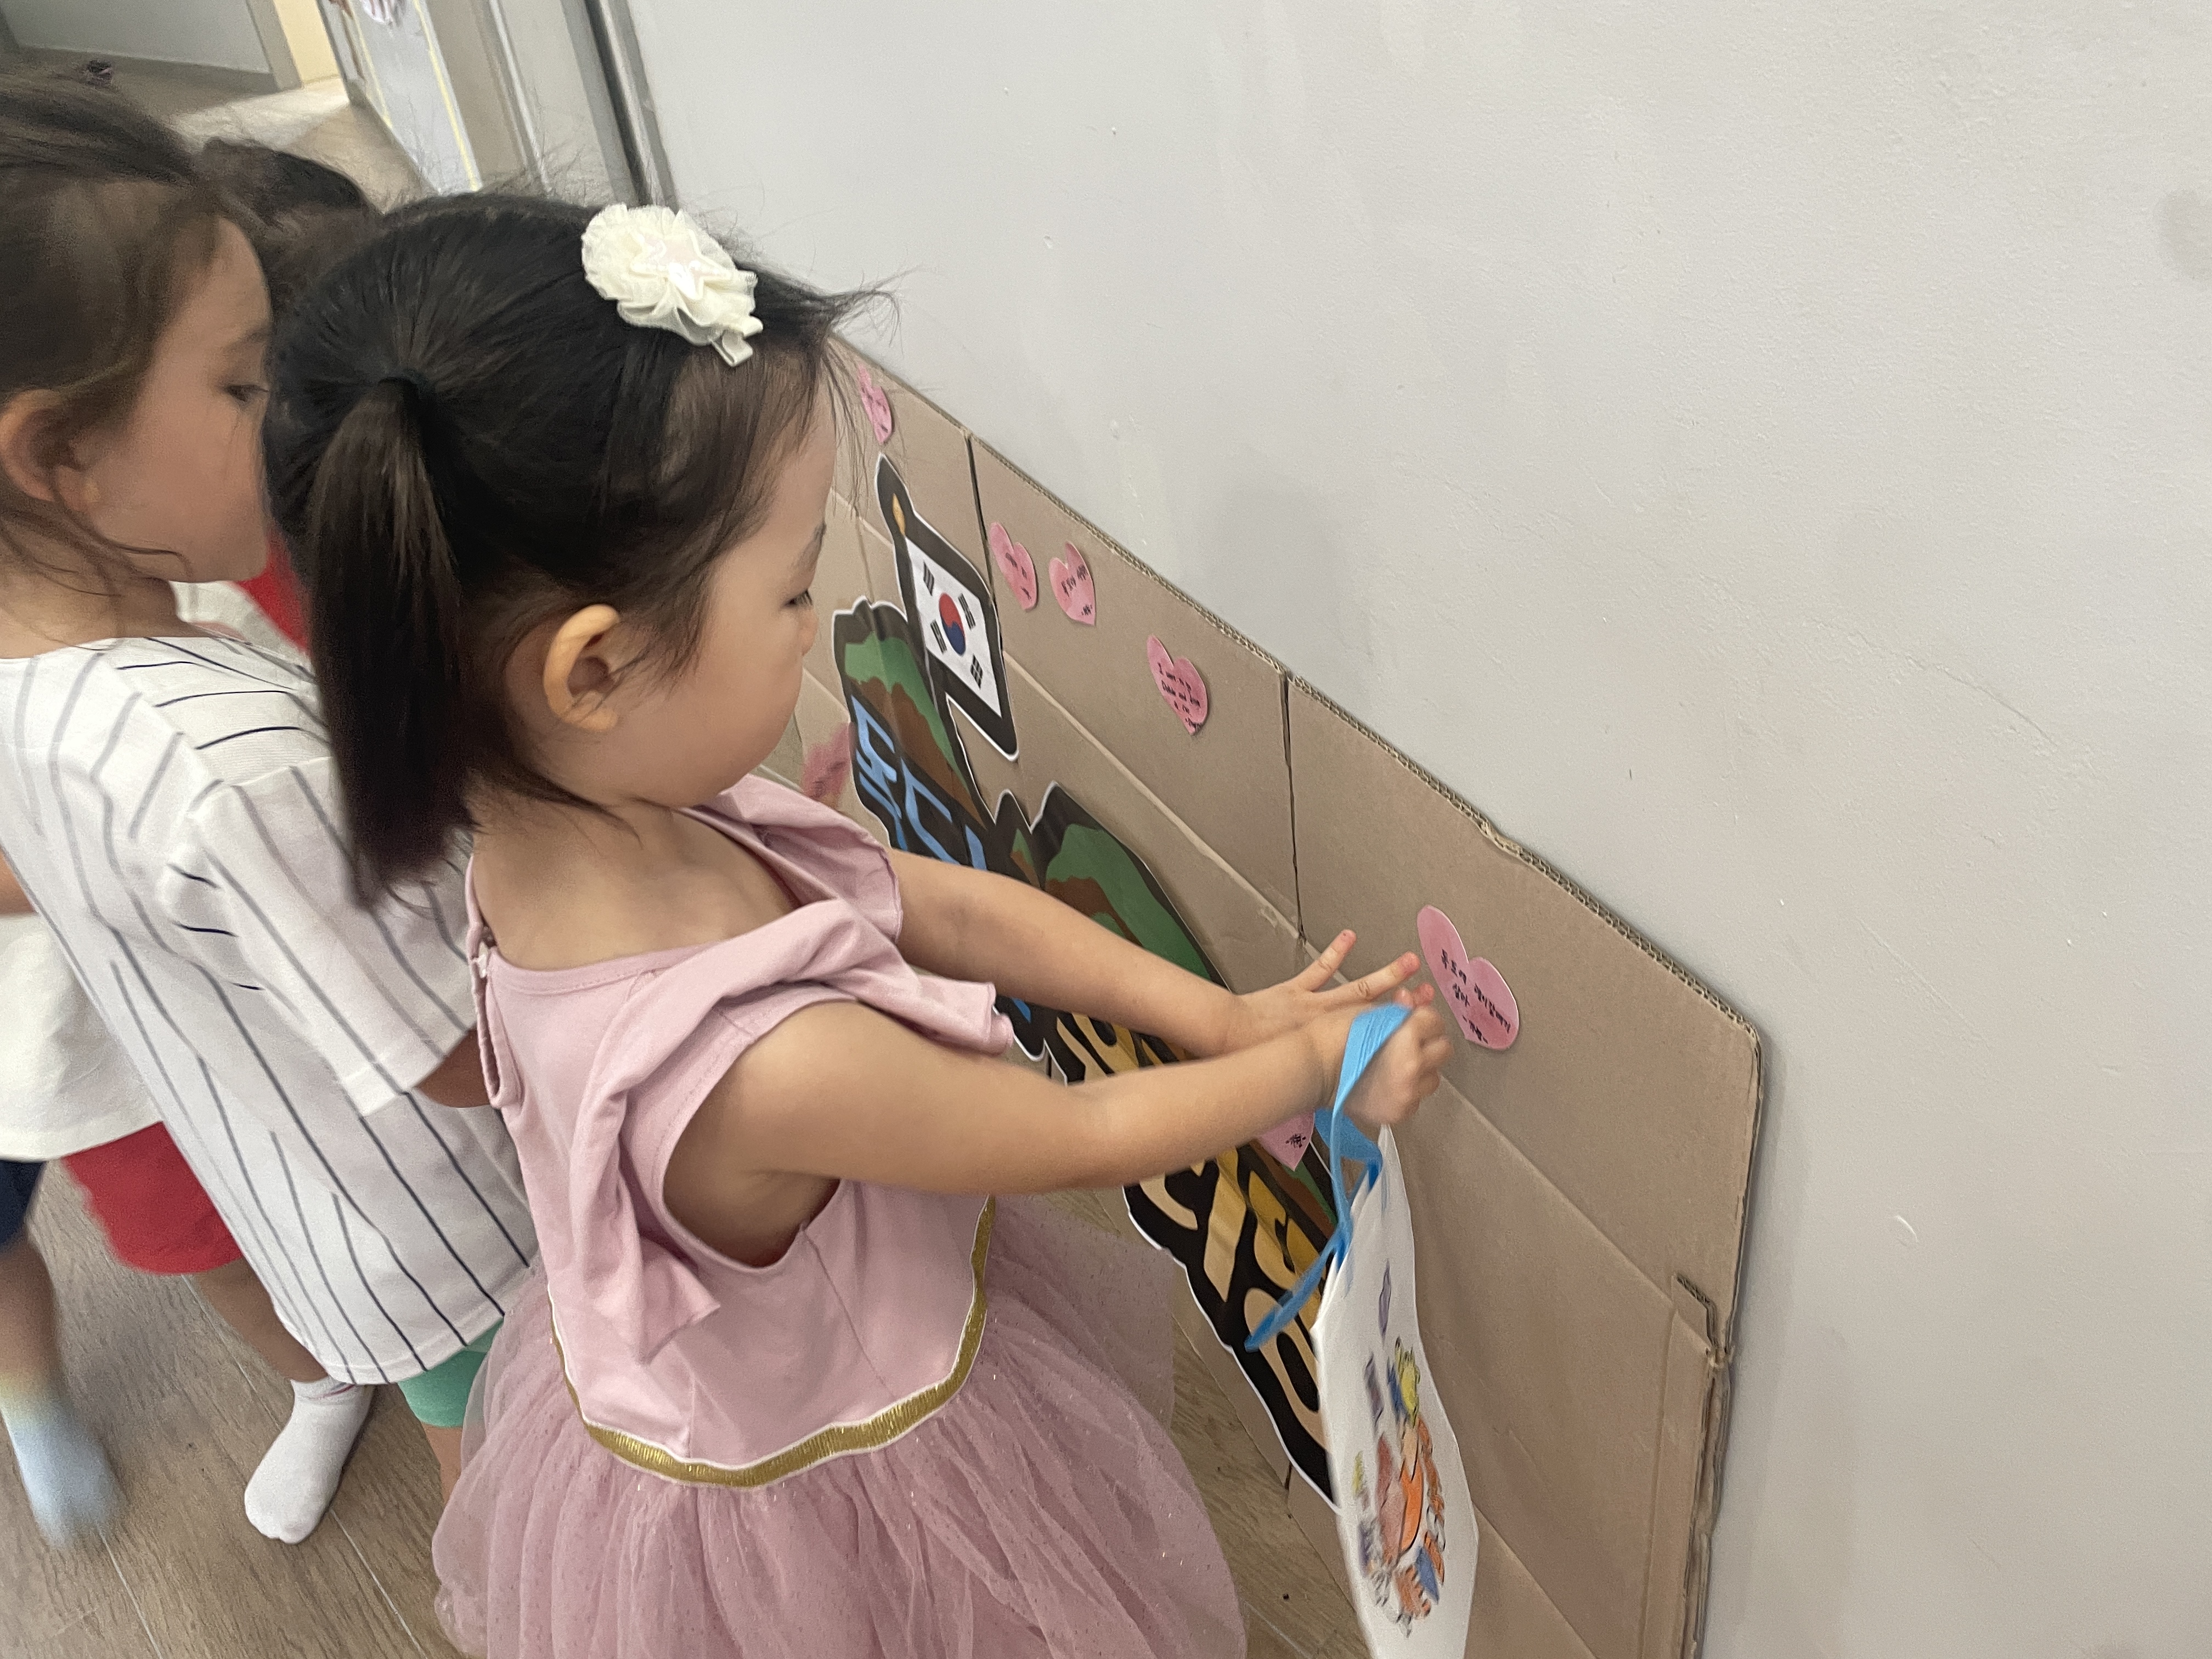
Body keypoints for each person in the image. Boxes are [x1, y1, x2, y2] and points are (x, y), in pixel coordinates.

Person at [262, 191, 1454, 1657]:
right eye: (790, 593)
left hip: (747, 1374)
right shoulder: (770, 1063)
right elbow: (1080, 1134)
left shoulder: (578, 826)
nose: (815, 617)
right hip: (836, 1495)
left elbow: (932, 900)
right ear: (593, 671)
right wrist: (1312, 1067)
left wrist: (1215, 1014)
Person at [0, 70, 535, 1521]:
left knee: (486, 1470)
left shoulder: (40, 695)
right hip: (464, 1222)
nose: (291, 416)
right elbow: (451, 1050)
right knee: (543, 1486)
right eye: (245, 386)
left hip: (319, 1209)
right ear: (60, 453)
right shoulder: (222, 761)